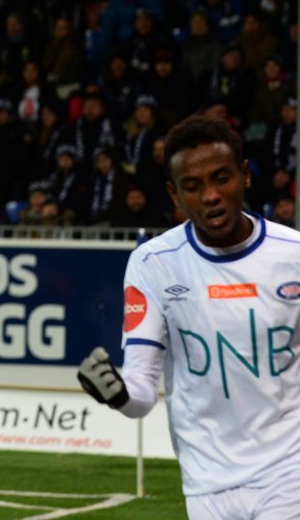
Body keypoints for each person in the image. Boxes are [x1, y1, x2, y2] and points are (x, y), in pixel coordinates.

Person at [77, 115, 300, 519]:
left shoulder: (293, 254)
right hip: (206, 480)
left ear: (245, 176)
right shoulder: (153, 263)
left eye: (222, 178)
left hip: (290, 470)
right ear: (174, 195)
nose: (211, 196)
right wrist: (117, 393)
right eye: (193, 187)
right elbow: (142, 392)